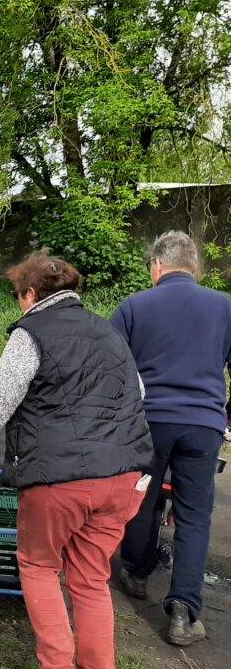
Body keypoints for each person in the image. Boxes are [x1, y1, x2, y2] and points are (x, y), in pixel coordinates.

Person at [0, 254, 153, 669]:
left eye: (17, 295)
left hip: (58, 478)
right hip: (124, 475)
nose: (18, 303)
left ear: (30, 293)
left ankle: (57, 663)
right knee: (91, 579)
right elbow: (137, 391)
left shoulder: (32, 332)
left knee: (40, 566)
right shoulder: (108, 330)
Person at [111, 231, 231, 646]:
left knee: (140, 498)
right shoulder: (224, 306)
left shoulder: (134, 306)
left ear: (157, 266)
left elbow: (111, 368)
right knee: (195, 515)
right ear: (194, 267)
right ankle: (183, 610)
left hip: (149, 422)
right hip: (203, 425)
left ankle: (137, 572)